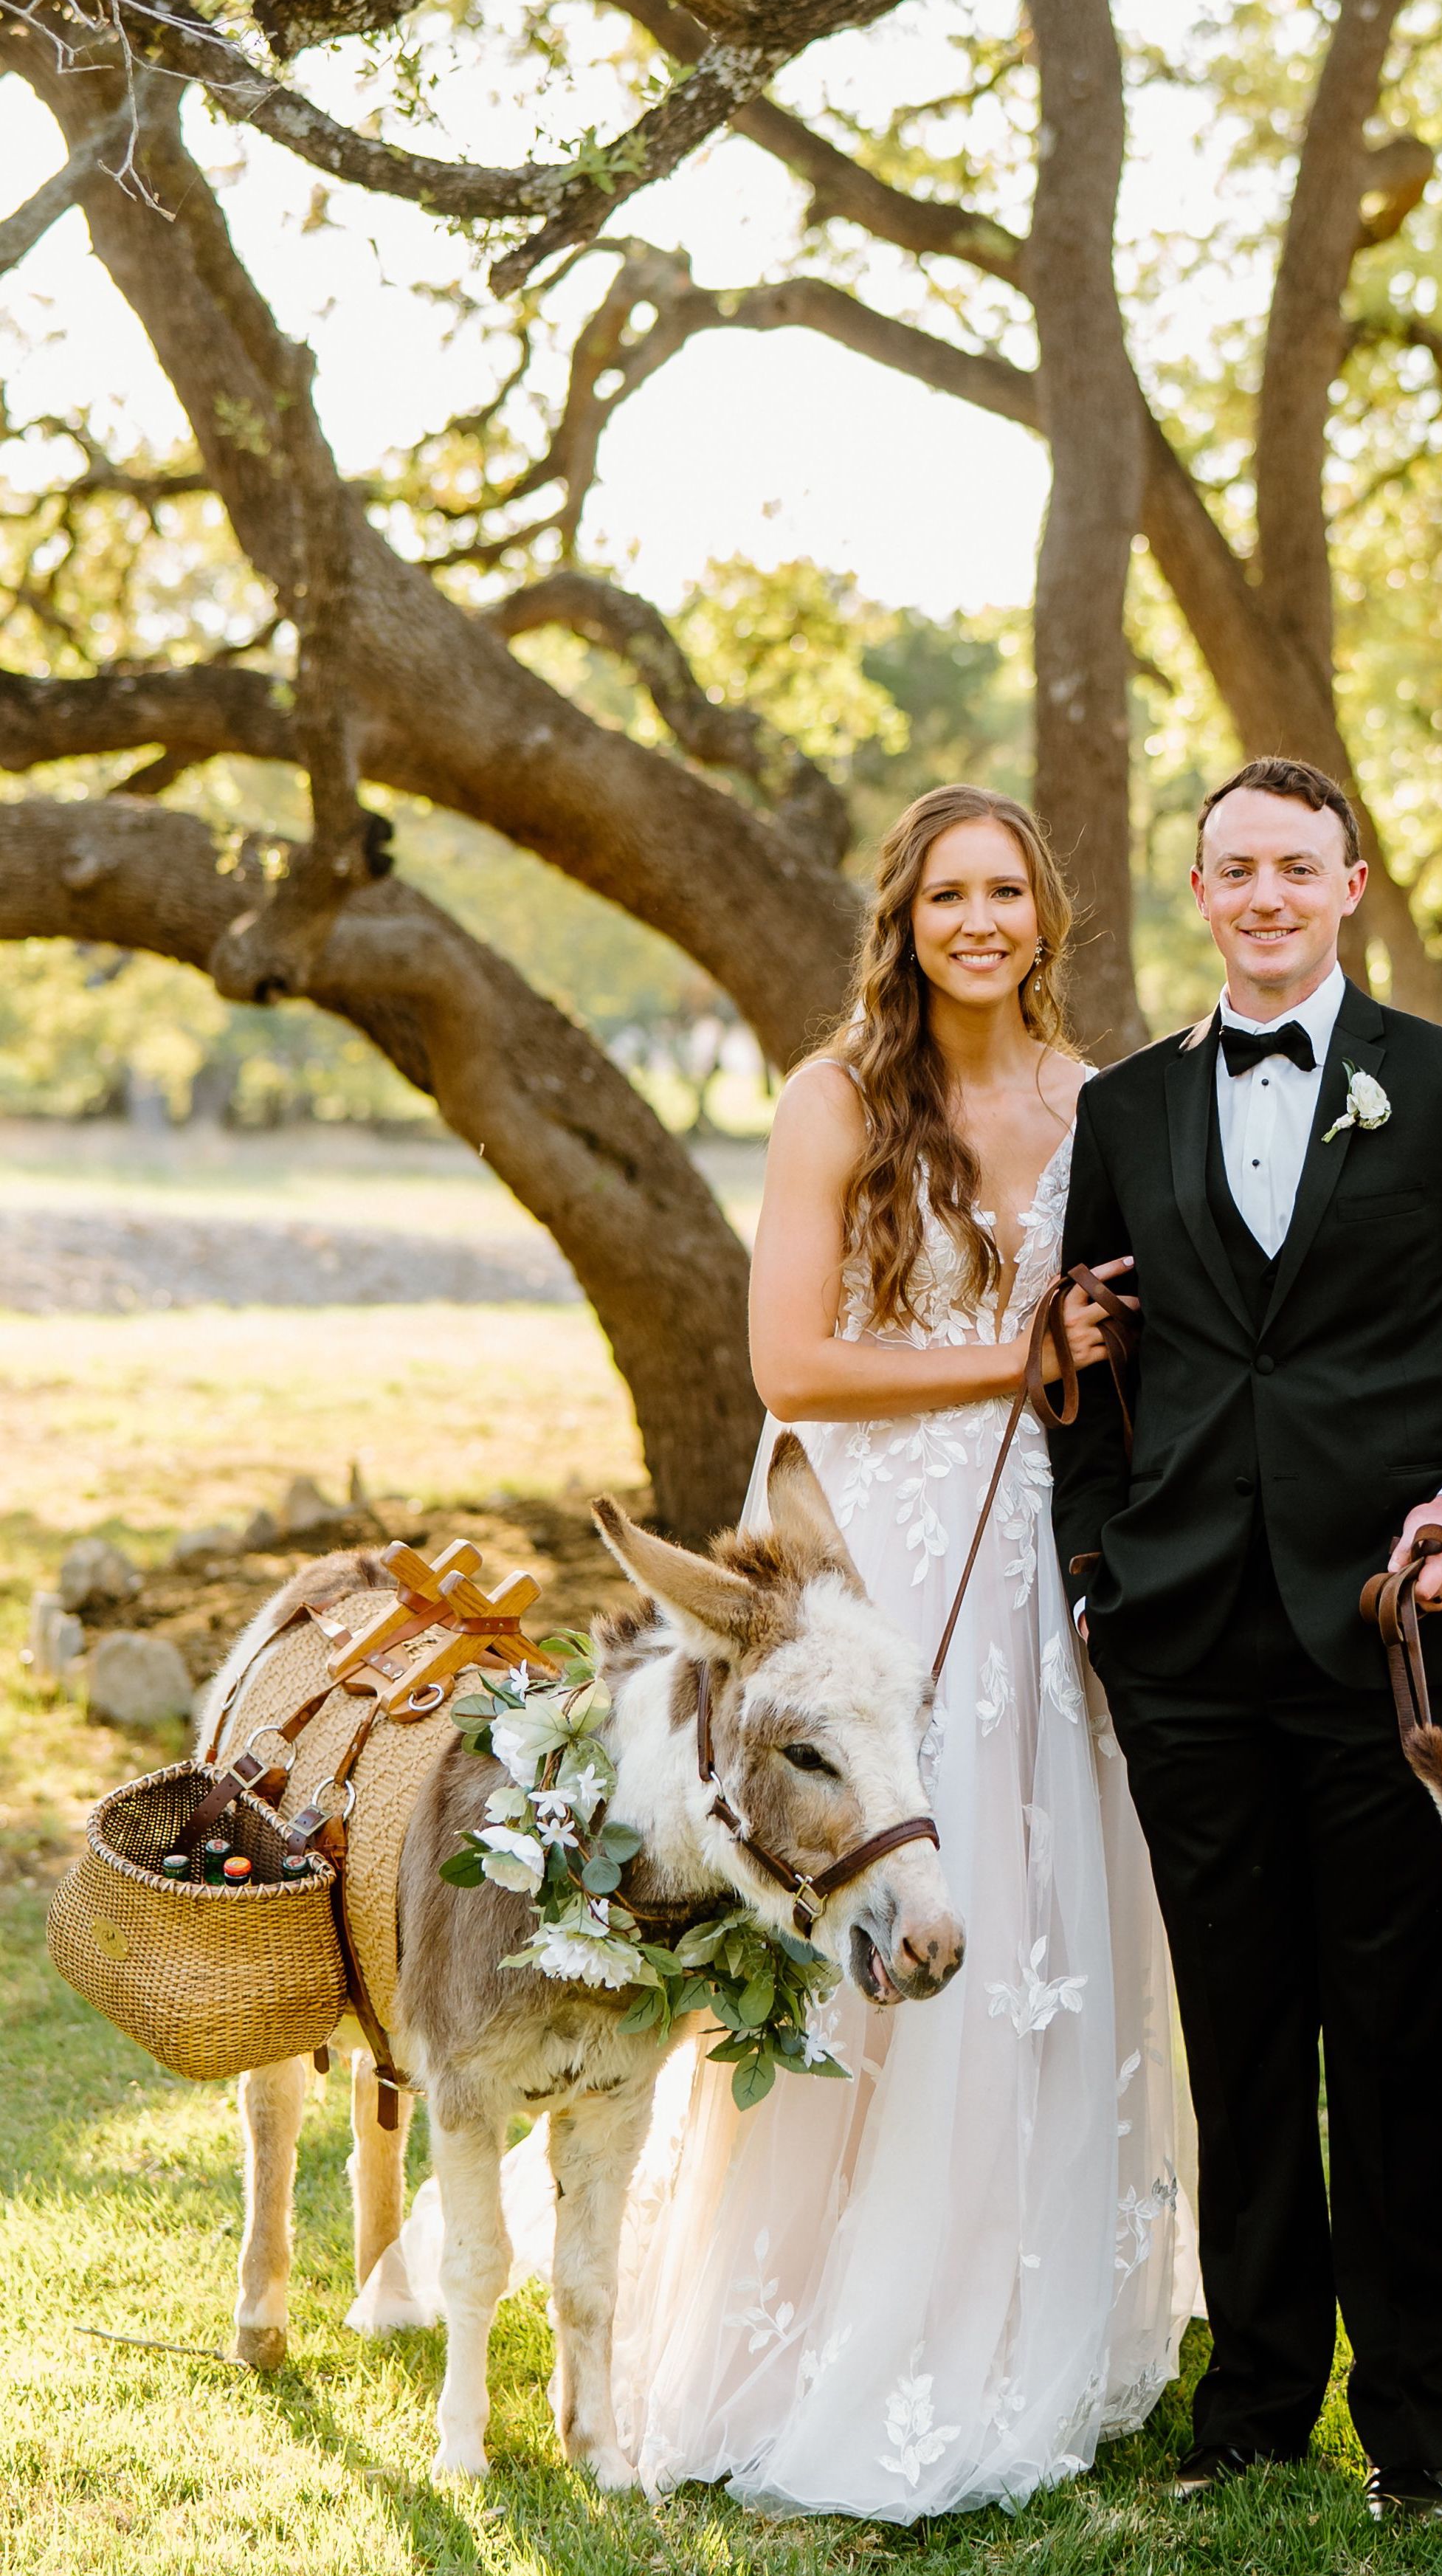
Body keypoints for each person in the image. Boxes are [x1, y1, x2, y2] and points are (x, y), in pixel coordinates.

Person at [362, 784, 1193, 2517]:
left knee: (1025, 1892)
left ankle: (1011, 2300)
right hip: (858, 1528)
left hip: (1036, 1531)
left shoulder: (1105, 1098)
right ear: (904, 917)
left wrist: (1094, 1372)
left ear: (1048, 917)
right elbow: (794, 1362)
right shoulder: (836, 1097)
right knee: (831, 1873)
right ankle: (804, 2304)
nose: (981, 920)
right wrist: (1008, 1357)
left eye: (1008, 893)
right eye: (948, 892)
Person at [1049, 756, 1442, 2524]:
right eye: (1236, 869)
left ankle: (1423, 2426)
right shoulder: (1127, 1109)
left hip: (1395, 1641)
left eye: (1299, 866)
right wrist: (1095, 1565)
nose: (1267, 895)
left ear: (1351, 883)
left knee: (1385, 2033)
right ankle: (1258, 2392)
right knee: (1237, 2020)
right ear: (1200, 891)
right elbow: (1084, 1363)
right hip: (1187, 1639)